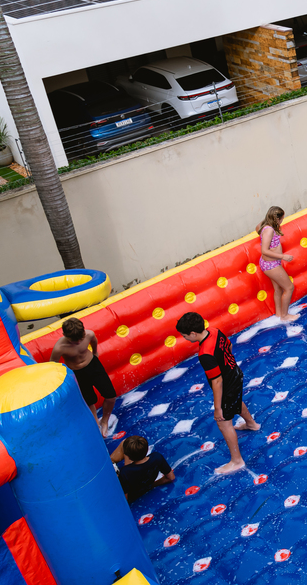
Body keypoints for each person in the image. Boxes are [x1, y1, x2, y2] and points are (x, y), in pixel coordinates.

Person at [175, 312, 261, 475]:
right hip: (236, 373)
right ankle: (252, 424)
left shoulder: (205, 354)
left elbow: (217, 381)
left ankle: (237, 461)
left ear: (193, 333)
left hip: (227, 384)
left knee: (223, 422)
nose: (185, 338)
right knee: (237, 400)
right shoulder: (214, 331)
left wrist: (217, 408)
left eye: (185, 336)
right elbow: (228, 346)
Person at [50, 317, 116, 438]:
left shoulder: (89, 334)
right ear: (65, 335)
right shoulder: (59, 348)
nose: (78, 342)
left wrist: (95, 352)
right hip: (77, 373)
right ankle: (96, 423)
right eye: (74, 341)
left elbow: (94, 341)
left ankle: (104, 421)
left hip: (93, 365)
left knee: (110, 396)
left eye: (81, 339)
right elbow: (52, 365)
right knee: (89, 401)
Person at [256, 205, 296, 321]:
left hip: (271, 264)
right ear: (277, 219)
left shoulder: (264, 226)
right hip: (271, 265)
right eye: (281, 219)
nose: (282, 221)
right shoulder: (269, 230)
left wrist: (269, 217)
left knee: (278, 289)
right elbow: (264, 250)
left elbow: (257, 227)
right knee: (289, 287)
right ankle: (284, 316)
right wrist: (283, 256)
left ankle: (279, 314)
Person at [110, 435, 175, 502]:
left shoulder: (125, 472)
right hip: (145, 483)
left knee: (125, 443)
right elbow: (171, 478)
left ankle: (111, 463)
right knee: (127, 444)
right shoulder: (157, 457)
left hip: (133, 493)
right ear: (147, 450)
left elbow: (125, 499)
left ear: (128, 457)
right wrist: (151, 485)